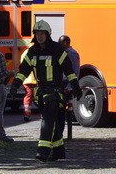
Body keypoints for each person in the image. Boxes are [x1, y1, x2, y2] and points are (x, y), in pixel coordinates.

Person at [12, 20, 81, 162]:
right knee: (53, 123)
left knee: (47, 121)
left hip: (55, 93)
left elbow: (69, 70)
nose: (40, 36)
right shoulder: (32, 51)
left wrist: (76, 87)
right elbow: (23, 70)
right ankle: (58, 152)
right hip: (41, 93)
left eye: (42, 33)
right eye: (37, 33)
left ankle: (42, 151)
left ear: (47, 34)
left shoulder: (57, 50)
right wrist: (15, 84)